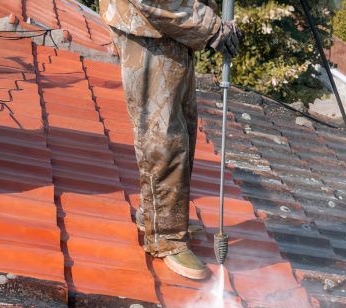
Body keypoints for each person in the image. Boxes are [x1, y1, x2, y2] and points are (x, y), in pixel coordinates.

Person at [100, 0, 242, 280]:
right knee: (164, 136)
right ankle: (166, 237)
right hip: (150, 27)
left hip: (169, 27)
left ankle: (158, 216)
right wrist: (210, 27)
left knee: (182, 129)